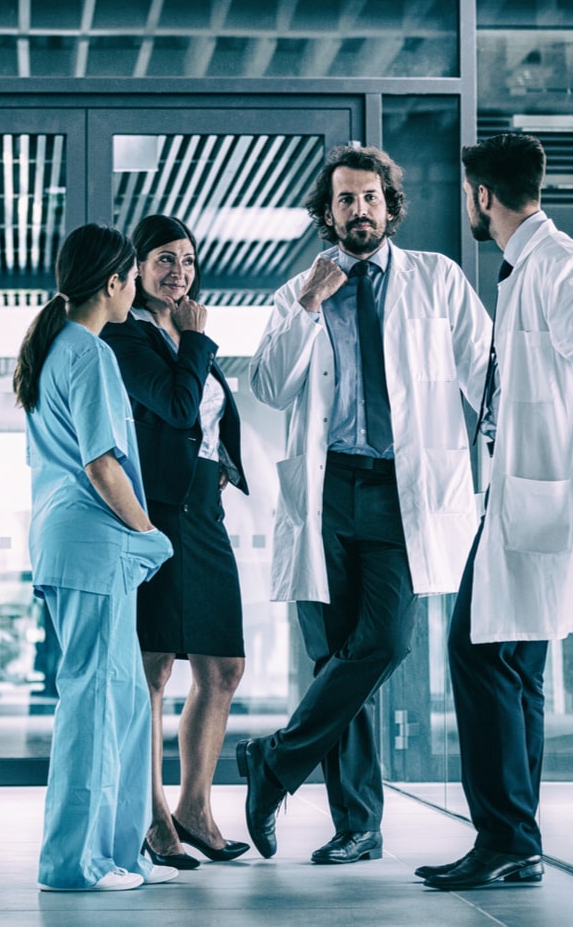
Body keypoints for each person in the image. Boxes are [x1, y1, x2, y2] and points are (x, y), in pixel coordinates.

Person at [238, 144, 492, 864]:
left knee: (384, 642)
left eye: (370, 197)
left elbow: (487, 370)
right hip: (325, 492)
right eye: (345, 200)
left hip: (400, 492)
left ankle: (276, 764)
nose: (359, 210)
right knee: (333, 658)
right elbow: (270, 386)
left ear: (389, 204)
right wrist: (306, 307)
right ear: (329, 212)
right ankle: (358, 826)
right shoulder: (300, 290)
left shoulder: (436, 280)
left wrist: (512, 451)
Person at [418, 133, 573, 892]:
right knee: (512, 665)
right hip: (523, 495)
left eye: (469, 195)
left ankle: (505, 837)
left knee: (478, 651)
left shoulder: (561, 266)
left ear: (482, 196)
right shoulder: (527, 269)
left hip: (541, 499)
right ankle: (514, 839)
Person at [13, 223, 176, 892]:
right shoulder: (89, 354)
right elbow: (103, 465)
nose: (136, 286)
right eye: (132, 276)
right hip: (94, 545)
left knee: (123, 701)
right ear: (112, 282)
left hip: (69, 545)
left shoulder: (57, 349)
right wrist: (149, 535)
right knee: (97, 704)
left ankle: (114, 855)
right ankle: (74, 865)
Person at [102, 214, 250, 868]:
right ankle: (153, 816)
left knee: (223, 667)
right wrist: (198, 339)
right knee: (153, 667)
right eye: (164, 259)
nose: (179, 272)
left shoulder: (179, 332)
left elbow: (209, 422)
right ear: (136, 269)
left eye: (188, 260)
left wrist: (225, 476)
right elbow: (175, 406)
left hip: (205, 512)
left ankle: (196, 808)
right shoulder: (124, 335)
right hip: (158, 512)